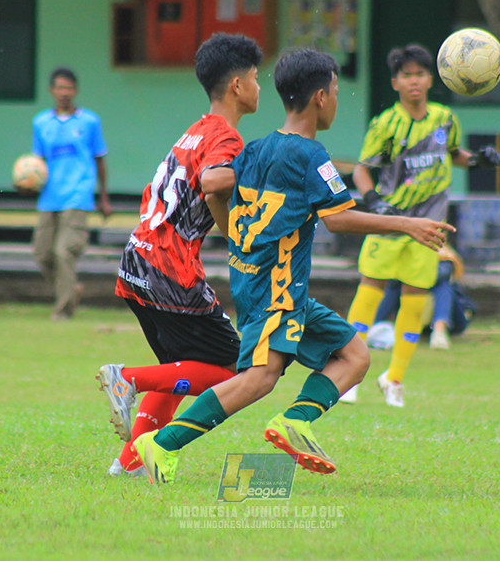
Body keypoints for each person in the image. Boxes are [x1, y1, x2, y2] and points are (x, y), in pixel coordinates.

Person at [132, 48, 454, 484]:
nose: (338, 99)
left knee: (354, 355)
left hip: (271, 283)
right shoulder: (308, 155)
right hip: (275, 287)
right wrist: (407, 224)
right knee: (259, 379)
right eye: (337, 91)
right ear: (321, 97)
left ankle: (293, 422)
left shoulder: (258, 147)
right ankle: (161, 444)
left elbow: (212, 193)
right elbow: (337, 218)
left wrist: (239, 245)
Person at [95, 33, 263, 477]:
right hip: (170, 268)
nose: (259, 87)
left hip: (138, 259)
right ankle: (127, 378)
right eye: (256, 78)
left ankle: (128, 463)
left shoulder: (195, 131)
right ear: (237, 87)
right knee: (236, 372)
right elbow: (213, 183)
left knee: (181, 368)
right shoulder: (227, 139)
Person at [341, 44, 500, 407]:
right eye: (406, 75)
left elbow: (454, 155)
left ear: (431, 79)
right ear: (396, 82)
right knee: (371, 288)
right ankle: (347, 375)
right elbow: (363, 169)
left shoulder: (445, 118)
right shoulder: (386, 124)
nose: (413, 81)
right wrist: (373, 202)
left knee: (416, 298)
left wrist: (478, 160)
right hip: (390, 222)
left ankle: (394, 378)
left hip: (429, 227)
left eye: (419, 74)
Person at [31, 68, 111, 320]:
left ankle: (64, 311)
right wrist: (26, 181)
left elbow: (99, 160)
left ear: (75, 90)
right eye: (59, 87)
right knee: (43, 254)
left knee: (63, 252)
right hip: (48, 197)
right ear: (51, 91)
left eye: (68, 88)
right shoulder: (41, 122)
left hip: (78, 196)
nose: (64, 93)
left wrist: (104, 197)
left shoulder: (89, 122)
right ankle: (70, 288)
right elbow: (37, 162)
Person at [365, 245, 470, 352]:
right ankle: (372, 326)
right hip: (411, 318)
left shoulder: (441, 252)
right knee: (396, 285)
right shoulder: (403, 251)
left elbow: (444, 273)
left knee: (443, 286)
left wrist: (415, 276)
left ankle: (439, 331)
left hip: (451, 319)